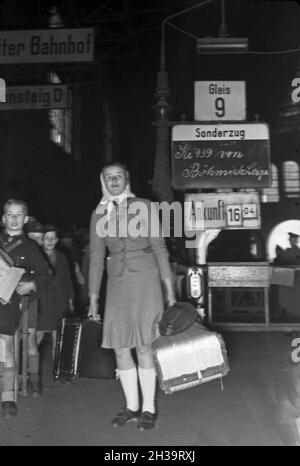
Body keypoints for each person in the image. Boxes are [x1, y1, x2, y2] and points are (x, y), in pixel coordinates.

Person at [88, 162, 175, 431]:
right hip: (117, 285)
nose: (114, 181)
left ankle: (148, 408)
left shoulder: (145, 207)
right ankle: (131, 406)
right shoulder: (98, 213)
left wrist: (170, 292)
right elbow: (95, 258)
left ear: (127, 179)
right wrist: (93, 299)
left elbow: (160, 248)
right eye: (108, 177)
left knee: (144, 345)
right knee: (120, 346)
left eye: (118, 177)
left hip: (146, 282)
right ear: (103, 181)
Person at [0, 199, 50, 417]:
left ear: (25, 219)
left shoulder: (30, 248)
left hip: (8, 304)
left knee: (6, 347)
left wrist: (31, 284)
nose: (14, 218)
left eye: (18, 215)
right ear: (3, 218)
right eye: (10, 214)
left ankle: (8, 397)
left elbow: (45, 274)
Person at [37, 225, 74, 360]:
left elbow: (68, 279)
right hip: (42, 302)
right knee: (37, 337)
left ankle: (58, 369)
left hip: (60, 302)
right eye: (47, 238)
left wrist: (70, 301)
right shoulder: (36, 255)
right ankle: (30, 369)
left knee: (58, 337)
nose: (50, 241)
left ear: (57, 240)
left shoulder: (62, 256)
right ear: (42, 239)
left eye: (53, 238)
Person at [25, 220, 47, 396]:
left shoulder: (42, 257)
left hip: (31, 302)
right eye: (32, 237)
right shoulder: (21, 251)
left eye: (39, 238)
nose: (35, 241)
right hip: (10, 300)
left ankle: (34, 381)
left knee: (31, 339)